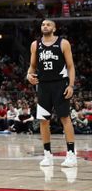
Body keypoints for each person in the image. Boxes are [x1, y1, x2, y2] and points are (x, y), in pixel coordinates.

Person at [27, 19, 77, 168]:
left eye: (48, 24)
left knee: (65, 118)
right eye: (43, 24)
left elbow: (70, 66)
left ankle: (71, 154)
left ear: (54, 28)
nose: (45, 26)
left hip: (60, 84)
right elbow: (32, 67)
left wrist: (71, 85)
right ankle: (47, 155)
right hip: (43, 86)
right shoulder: (35, 45)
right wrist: (29, 76)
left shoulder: (63, 43)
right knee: (43, 120)